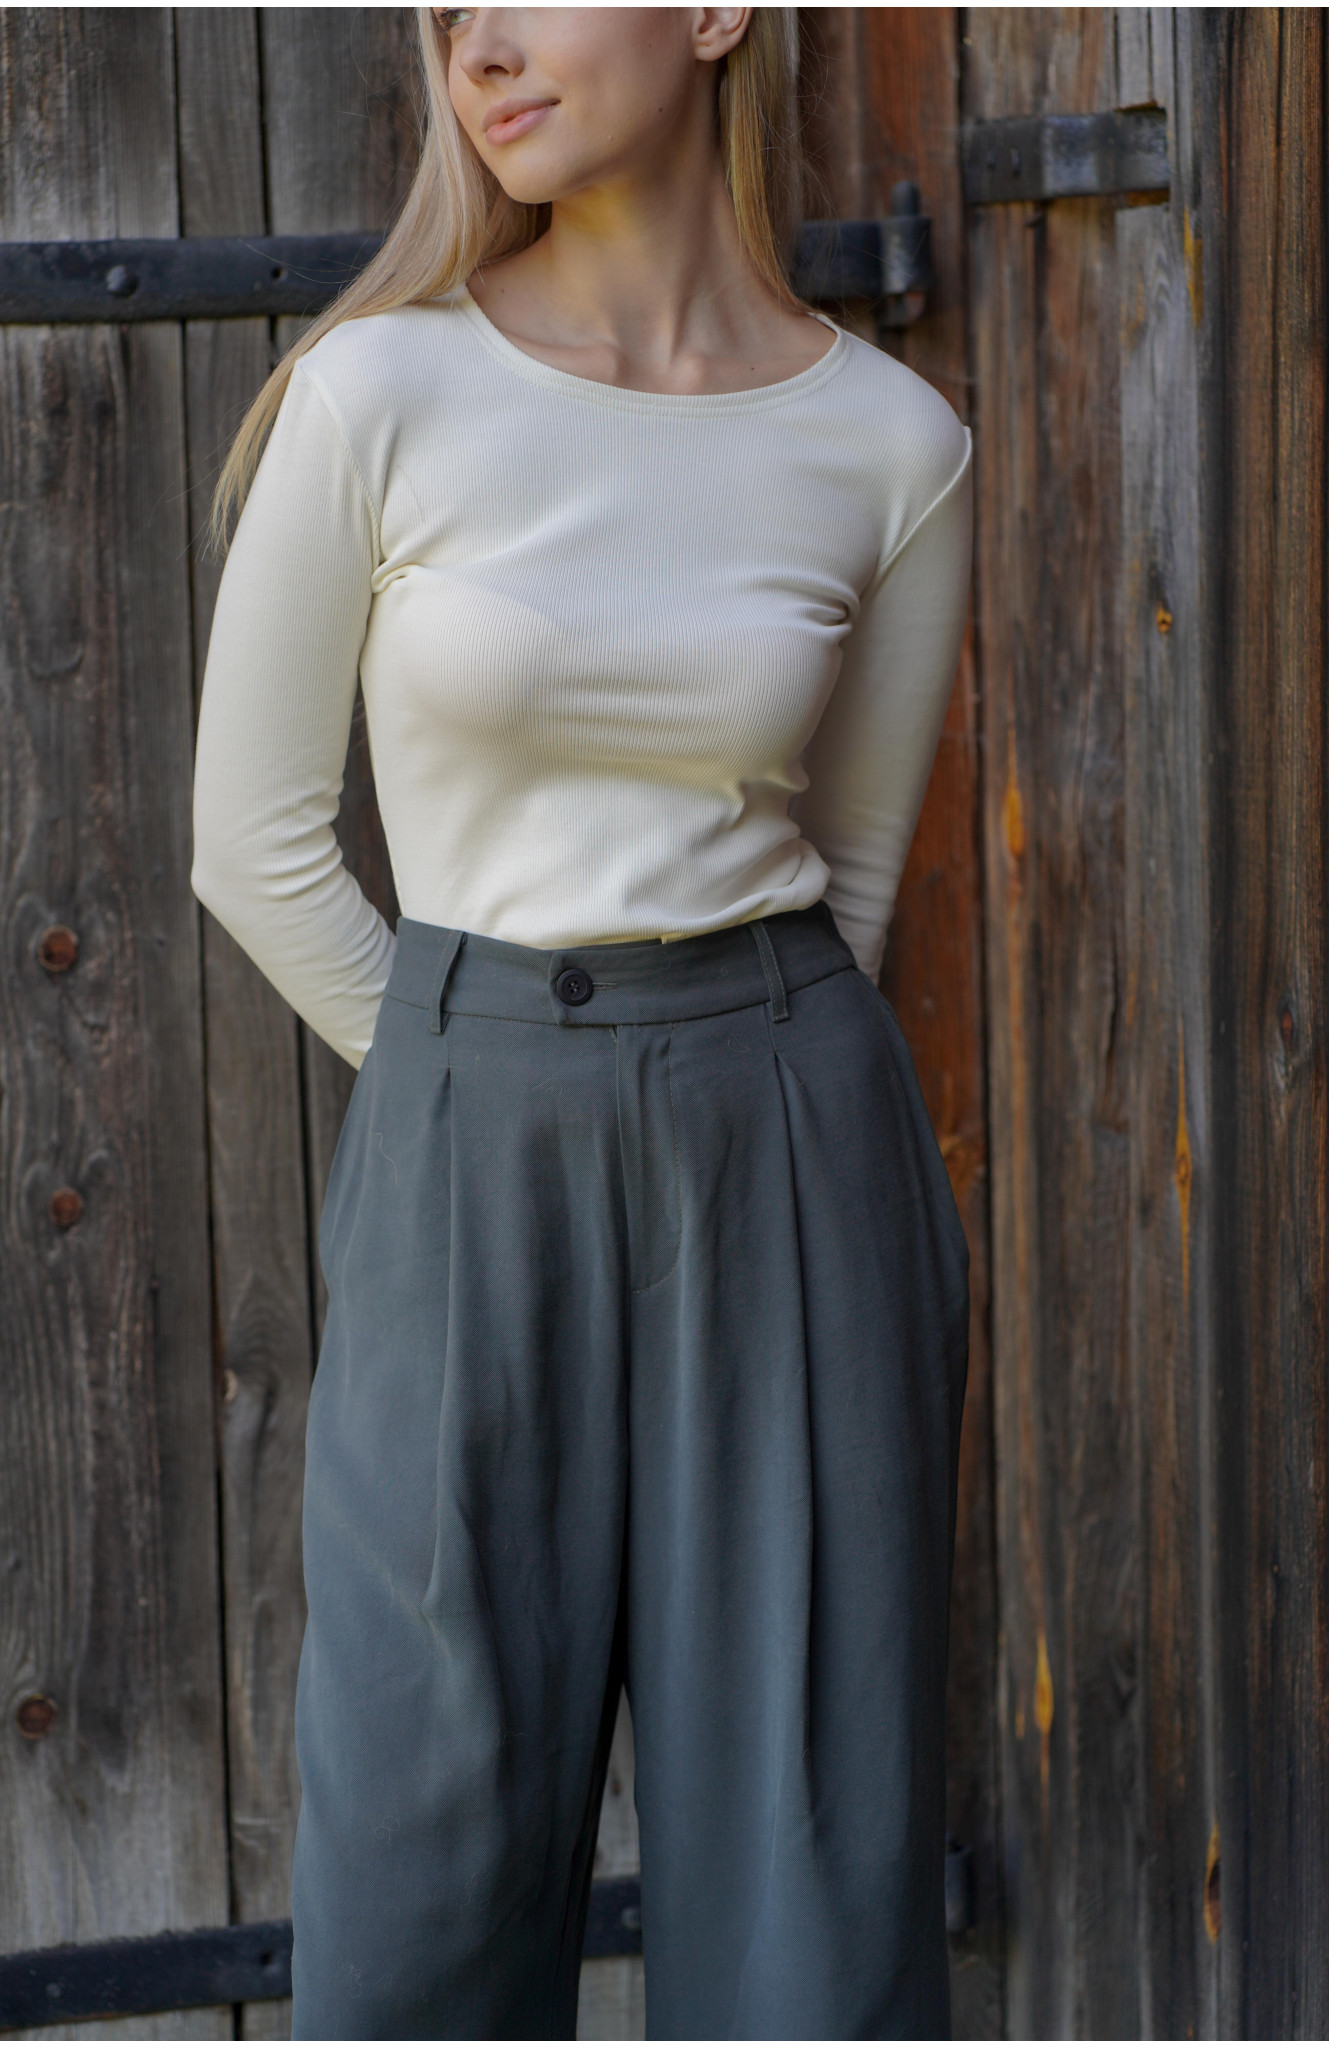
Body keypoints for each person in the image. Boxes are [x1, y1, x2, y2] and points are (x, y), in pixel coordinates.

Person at [192, 7, 974, 2038]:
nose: (478, 47)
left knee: (811, 1872)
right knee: (419, 1880)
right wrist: (477, 1081)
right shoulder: (380, 391)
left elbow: (854, 882)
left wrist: (728, 1086)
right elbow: (252, 844)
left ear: (715, 11)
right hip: (468, 1132)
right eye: (447, 12)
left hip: (787, 1144)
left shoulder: (891, 444)